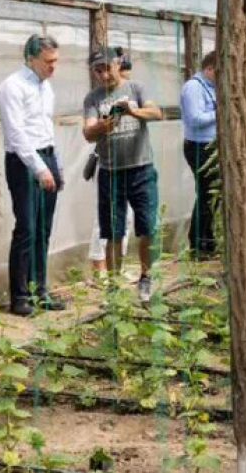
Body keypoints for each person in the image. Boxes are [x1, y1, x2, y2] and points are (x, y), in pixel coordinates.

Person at [83, 47, 163, 302]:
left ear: (118, 64)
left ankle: (146, 278)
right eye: (98, 70)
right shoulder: (93, 99)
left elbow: (157, 113)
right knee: (113, 231)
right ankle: (114, 286)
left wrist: (132, 111)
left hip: (141, 168)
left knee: (147, 226)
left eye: (107, 67)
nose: (103, 74)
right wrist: (102, 126)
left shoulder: (136, 89)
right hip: (111, 172)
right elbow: (87, 132)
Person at [0, 34, 66, 316]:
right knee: (27, 227)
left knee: (43, 229)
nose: (53, 67)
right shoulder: (12, 87)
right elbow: (17, 134)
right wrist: (39, 167)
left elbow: (46, 128)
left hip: (46, 156)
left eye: (56, 61)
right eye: (48, 62)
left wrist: (55, 165)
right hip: (24, 161)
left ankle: (40, 290)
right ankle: (20, 295)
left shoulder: (45, 88)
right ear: (31, 59)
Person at [88, 53, 134, 282]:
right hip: (109, 163)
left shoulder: (130, 95)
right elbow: (96, 130)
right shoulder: (99, 99)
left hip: (130, 163)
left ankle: (117, 266)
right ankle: (99, 268)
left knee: (126, 217)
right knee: (105, 217)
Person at [180, 51, 218, 258]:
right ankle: (197, 244)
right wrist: (221, 112)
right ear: (209, 68)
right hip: (198, 147)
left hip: (210, 146)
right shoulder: (193, 88)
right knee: (205, 194)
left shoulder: (212, 88)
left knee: (212, 195)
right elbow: (195, 118)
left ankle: (208, 240)